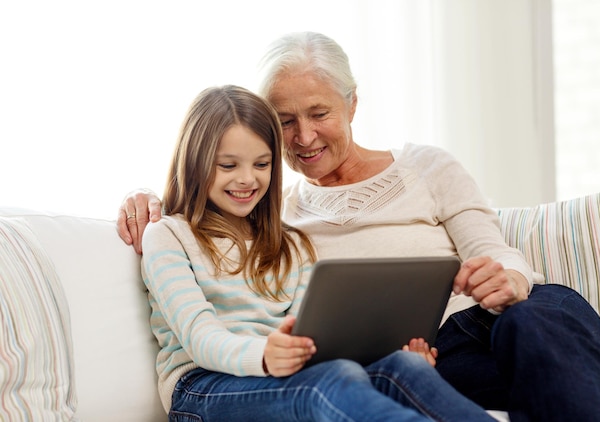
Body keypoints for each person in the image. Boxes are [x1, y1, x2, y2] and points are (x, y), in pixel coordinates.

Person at [120, 33, 600, 421]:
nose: (304, 135)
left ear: (352, 105)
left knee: (530, 321)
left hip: (507, 317)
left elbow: (495, 249)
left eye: (319, 113)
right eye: (286, 121)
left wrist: (509, 279)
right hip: (432, 353)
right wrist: (155, 199)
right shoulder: (279, 219)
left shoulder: (425, 168)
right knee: (559, 381)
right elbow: (212, 197)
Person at [140, 84, 496, 421]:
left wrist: (385, 354)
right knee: (325, 384)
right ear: (194, 162)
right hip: (202, 389)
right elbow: (200, 337)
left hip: (282, 376)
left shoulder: (291, 244)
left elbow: (312, 335)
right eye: (228, 165)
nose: (247, 179)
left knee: (404, 367)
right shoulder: (169, 235)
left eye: (262, 164)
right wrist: (264, 356)